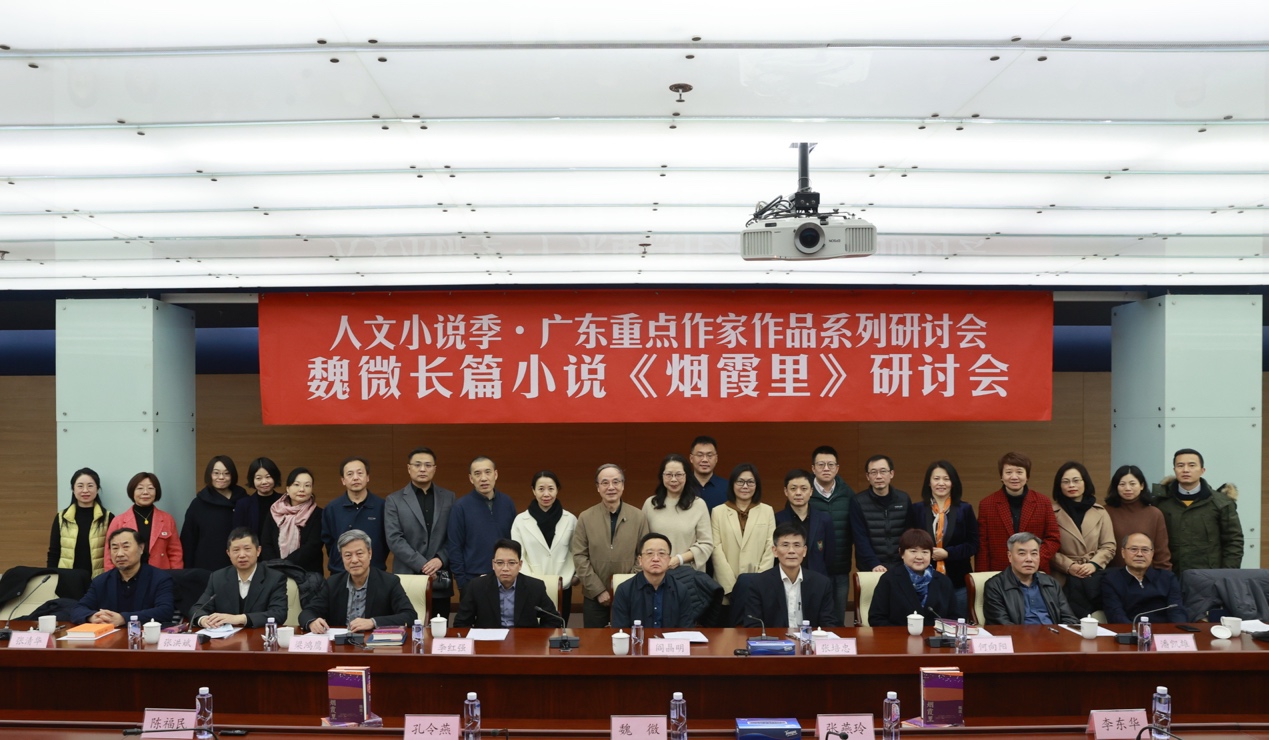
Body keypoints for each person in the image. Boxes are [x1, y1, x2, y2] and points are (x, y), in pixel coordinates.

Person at [572, 464, 648, 628]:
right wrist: (598, 590)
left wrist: (626, 587)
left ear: (623, 485)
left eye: (616, 482)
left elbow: (643, 555)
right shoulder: (585, 517)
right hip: (594, 596)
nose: (611, 487)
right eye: (605, 483)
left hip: (631, 594)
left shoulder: (639, 517)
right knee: (594, 641)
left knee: (629, 639)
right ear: (598, 488)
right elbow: (579, 556)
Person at [299, 529, 416, 633]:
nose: (354, 560)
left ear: (370, 554)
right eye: (348, 555)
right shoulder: (333, 583)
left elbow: (410, 616)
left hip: (374, 645)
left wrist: (373, 622)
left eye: (359, 554)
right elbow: (308, 612)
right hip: (340, 645)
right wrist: (312, 622)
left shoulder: (389, 582)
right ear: (342, 558)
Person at [385, 447, 456, 617]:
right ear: (409, 468)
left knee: (440, 626)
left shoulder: (449, 497)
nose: (422, 469)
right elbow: (394, 539)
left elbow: (455, 536)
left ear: (434, 469)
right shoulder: (394, 500)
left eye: (427, 465)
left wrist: (441, 559)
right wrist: (422, 564)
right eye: (417, 465)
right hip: (408, 575)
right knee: (408, 625)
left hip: (439, 575)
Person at [1153, 448, 1244, 575]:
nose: (1186, 470)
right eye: (1180, 465)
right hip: (1170, 576)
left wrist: (1226, 575)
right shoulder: (1160, 502)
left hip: (1210, 577)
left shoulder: (1221, 503)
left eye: (1192, 465)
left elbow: (1233, 541)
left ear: (1202, 470)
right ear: (1174, 470)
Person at [907, 460, 978, 618]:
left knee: (957, 624)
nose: (941, 483)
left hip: (958, 580)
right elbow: (909, 542)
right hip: (922, 580)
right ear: (929, 482)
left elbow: (973, 544)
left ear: (953, 483)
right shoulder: (917, 509)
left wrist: (948, 553)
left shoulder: (965, 509)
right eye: (936, 478)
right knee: (925, 624)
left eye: (946, 479)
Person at [611, 532, 720, 629]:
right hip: (637, 645)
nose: (655, 559)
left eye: (662, 554)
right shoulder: (624, 590)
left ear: (669, 559)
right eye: (649, 553)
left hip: (670, 645)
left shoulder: (681, 590)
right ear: (640, 560)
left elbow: (686, 630)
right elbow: (620, 632)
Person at [1049, 461, 1116, 618]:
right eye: (1066, 481)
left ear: (1085, 482)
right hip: (1062, 577)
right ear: (1059, 485)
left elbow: (1109, 546)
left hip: (1093, 577)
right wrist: (1069, 566)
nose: (1071, 485)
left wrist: (1093, 564)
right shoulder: (1051, 512)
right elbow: (1046, 547)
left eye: (1076, 480)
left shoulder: (1100, 512)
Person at [511, 471, 578, 623]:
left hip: (563, 586)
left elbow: (577, 551)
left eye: (551, 489)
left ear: (557, 490)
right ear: (533, 490)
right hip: (530, 586)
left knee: (560, 627)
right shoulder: (520, 520)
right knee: (532, 629)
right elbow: (518, 555)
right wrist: (530, 581)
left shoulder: (570, 519)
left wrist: (575, 576)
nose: (546, 494)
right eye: (541, 489)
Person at [742, 522, 838, 630]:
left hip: (809, 640)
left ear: (804, 551)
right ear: (775, 551)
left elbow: (829, 624)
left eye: (797, 545)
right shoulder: (758, 584)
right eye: (785, 545)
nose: (791, 551)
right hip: (774, 640)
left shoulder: (821, 584)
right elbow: (753, 626)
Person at [977, 451, 1061, 573]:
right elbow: (982, 545)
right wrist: (983, 576)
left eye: (1019, 472)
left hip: (1036, 571)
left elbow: (1053, 538)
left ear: (1027, 476)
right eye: (1008, 472)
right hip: (999, 572)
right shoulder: (987, 504)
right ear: (1001, 476)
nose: (1014, 477)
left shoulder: (1043, 502)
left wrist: (1033, 559)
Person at [189, 527, 289, 629]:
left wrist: (241, 619)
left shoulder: (274, 578)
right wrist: (203, 619)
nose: (242, 555)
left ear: (258, 551)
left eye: (247, 549)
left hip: (259, 636)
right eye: (236, 550)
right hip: (225, 637)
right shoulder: (218, 578)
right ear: (228, 553)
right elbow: (197, 609)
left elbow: (279, 614)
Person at [71, 528, 175, 625]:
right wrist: (92, 617)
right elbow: (78, 609)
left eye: (126, 547)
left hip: (144, 636)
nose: (119, 554)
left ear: (141, 548)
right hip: (110, 636)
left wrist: (124, 618)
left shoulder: (160, 579)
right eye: (115, 548)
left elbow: (165, 611)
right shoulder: (101, 581)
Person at [454, 539, 561, 628]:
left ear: (520, 565)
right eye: (500, 563)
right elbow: (461, 623)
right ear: (493, 564)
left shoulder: (535, 587)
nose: (505, 568)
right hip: (489, 643)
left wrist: (537, 639)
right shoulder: (476, 586)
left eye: (511, 563)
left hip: (523, 642)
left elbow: (554, 620)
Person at [448, 456, 517, 592]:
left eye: (488, 472)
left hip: (505, 578)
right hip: (472, 579)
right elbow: (454, 546)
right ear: (471, 478)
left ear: (495, 474)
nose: (483, 478)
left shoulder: (507, 502)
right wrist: (462, 582)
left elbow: (514, 541)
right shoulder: (460, 507)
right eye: (477, 474)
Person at [709, 463, 775, 599]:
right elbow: (716, 549)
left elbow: (770, 547)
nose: (745, 486)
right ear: (732, 484)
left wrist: (759, 582)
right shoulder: (718, 512)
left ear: (757, 485)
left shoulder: (767, 511)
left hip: (759, 587)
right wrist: (731, 587)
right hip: (726, 589)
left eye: (750, 482)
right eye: (740, 481)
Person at [982, 532, 1078, 625]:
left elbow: (1070, 619)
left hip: (1054, 634)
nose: (1029, 559)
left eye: (1034, 553)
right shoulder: (995, 586)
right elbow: (1001, 625)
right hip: (1018, 635)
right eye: (1022, 553)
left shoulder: (1051, 583)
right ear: (1010, 556)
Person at [807, 445, 855, 627]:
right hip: (812, 567)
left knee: (837, 619)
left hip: (840, 568)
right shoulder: (805, 493)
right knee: (812, 618)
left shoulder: (848, 494)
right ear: (813, 468)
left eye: (830, 465)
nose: (826, 469)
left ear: (837, 468)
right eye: (821, 465)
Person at [868, 528, 956, 626]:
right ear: (901, 553)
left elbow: (954, 618)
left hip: (935, 635)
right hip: (898, 635)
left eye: (925, 552)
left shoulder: (943, 581)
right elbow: (876, 618)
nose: (919, 557)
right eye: (913, 551)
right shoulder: (889, 579)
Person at [641, 454, 713, 573]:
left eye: (679, 475)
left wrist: (679, 559)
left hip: (687, 573)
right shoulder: (650, 504)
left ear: (686, 476)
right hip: (655, 573)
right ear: (662, 476)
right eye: (669, 475)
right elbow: (642, 541)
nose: (674, 479)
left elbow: (706, 544)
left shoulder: (698, 504)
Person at [1100, 533, 1186, 624]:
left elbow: (1177, 611)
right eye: (1133, 549)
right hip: (1129, 630)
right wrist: (1135, 631)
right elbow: (1115, 615)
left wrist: (1176, 631)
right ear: (1123, 552)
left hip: (1163, 631)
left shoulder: (1168, 578)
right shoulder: (1111, 580)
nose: (1139, 554)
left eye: (1145, 550)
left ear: (1152, 553)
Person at [321, 456, 388, 573]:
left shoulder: (382, 506)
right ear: (343, 480)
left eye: (360, 473)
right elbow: (329, 542)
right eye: (350, 474)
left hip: (374, 571)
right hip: (340, 571)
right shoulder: (332, 508)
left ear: (367, 477)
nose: (355, 478)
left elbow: (386, 542)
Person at [181, 455, 248, 571]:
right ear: (209, 475)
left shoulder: (244, 501)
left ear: (232, 475)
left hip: (240, 563)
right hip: (206, 566)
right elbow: (188, 541)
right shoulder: (198, 504)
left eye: (226, 473)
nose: (221, 477)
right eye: (216, 473)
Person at [104, 472, 183, 570]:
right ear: (132, 491)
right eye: (140, 488)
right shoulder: (118, 521)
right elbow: (109, 555)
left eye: (150, 488)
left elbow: (175, 553)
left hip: (161, 574)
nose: (145, 492)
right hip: (128, 575)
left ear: (156, 491)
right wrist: (112, 577)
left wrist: (175, 576)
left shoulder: (167, 519)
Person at [48, 467, 114, 577]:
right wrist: (51, 577)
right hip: (67, 579)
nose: (85, 490)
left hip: (98, 579)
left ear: (97, 489)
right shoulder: (62, 517)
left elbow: (113, 552)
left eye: (90, 486)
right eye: (80, 486)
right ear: (73, 489)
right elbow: (54, 553)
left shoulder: (108, 517)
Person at [850, 455, 911, 573]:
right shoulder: (858, 502)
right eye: (873, 472)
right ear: (867, 476)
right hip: (871, 568)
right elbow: (860, 538)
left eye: (883, 471)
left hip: (901, 566)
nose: (878, 476)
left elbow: (909, 534)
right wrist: (874, 564)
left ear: (891, 474)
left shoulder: (904, 499)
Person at [1104, 465, 1171, 569]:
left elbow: (1161, 552)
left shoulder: (1154, 514)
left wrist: (1164, 575)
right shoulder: (1104, 512)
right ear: (1116, 487)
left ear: (1142, 486)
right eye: (1122, 484)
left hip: (1147, 575)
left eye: (1132, 484)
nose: (1127, 488)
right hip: (1111, 574)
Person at [260, 467, 324, 573]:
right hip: (275, 572)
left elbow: (313, 546)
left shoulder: (318, 514)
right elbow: (266, 543)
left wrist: (285, 564)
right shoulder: (275, 511)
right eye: (296, 484)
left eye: (307, 485)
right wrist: (275, 565)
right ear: (288, 488)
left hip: (307, 573)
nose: (302, 489)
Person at [774, 469, 835, 579]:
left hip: (817, 580)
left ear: (811, 491)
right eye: (793, 488)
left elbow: (830, 557)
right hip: (785, 579)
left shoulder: (824, 519)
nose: (798, 493)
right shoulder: (777, 519)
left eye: (804, 488)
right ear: (786, 491)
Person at [232, 457, 284, 537]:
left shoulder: (284, 501)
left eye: (268, 477)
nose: (264, 482)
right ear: (252, 480)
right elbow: (238, 535)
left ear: (275, 477)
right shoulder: (243, 504)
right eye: (259, 478)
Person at [688, 436, 728, 511]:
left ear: (716, 458)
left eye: (709, 455)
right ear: (691, 458)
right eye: (700, 455)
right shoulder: (683, 485)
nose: (705, 460)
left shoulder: (728, 487)